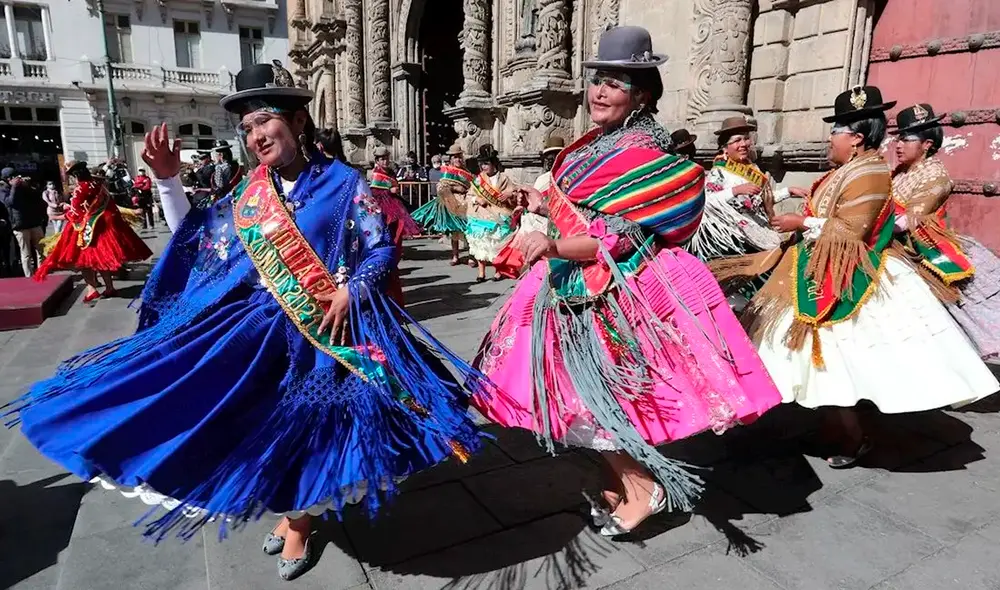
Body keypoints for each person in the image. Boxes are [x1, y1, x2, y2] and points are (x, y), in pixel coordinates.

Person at [3, 62, 489, 582]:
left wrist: (353, 289)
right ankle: (290, 510)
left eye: (265, 121)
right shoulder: (250, 190)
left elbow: (378, 252)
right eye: (249, 128)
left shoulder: (346, 184)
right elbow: (201, 239)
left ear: (299, 121)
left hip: (326, 333)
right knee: (252, 424)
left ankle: (299, 522)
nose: (257, 135)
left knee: (308, 431)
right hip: (258, 333)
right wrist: (167, 180)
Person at [472, 26, 782, 536]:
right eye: (598, 80)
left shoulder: (643, 152)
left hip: (616, 291)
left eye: (614, 84)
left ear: (641, 95)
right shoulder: (603, 142)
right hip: (578, 279)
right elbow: (582, 208)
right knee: (573, 395)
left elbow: (615, 238)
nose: (599, 92)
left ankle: (643, 488)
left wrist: (552, 246)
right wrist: (539, 203)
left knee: (594, 398)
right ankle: (624, 480)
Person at [729, 86, 998, 468]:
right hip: (821, 267)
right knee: (821, 359)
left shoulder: (870, 173)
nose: (829, 138)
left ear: (855, 138)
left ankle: (853, 434)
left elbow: (852, 230)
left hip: (854, 277)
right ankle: (836, 423)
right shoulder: (852, 169)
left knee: (839, 359)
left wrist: (801, 221)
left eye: (835, 131)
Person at [890, 103, 1000, 360]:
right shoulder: (899, 172)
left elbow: (909, 220)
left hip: (920, 245)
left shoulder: (936, 175)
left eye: (906, 140)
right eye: (898, 138)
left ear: (927, 144)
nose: (898, 145)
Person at [687, 116, 802, 263]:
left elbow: (760, 199)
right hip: (736, 236)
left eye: (746, 139)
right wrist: (735, 191)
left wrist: (788, 191)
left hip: (758, 228)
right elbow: (707, 201)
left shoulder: (752, 168)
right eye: (737, 141)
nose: (743, 144)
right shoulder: (720, 172)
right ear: (725, 148)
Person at [34, 162, 152, 300]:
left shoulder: (79, 190)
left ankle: (91, 289)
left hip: (84, 229)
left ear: (75, 176)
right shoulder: (97, 186)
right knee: (100, 259)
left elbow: (76, 213)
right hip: (101, 227)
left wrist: (58, 216)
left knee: (84, 261)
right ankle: (109, 287)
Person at [492, 136, 562, 278]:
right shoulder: (542, 179)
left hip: (556, 223)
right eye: (548, 157)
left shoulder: (565, 177)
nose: (550, 160)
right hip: (538, 222)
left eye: (554, 156)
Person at [369, 146, 421, 303]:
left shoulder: (390, 173)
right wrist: (388, 191)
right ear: (377, 161)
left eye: (386, 158)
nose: (385, 161)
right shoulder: (376, 174)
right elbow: (375, 194)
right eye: (382, 159)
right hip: (385, 214)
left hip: (395, 211)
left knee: (397, 242)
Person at [411, 144, 472, 265]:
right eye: (455, 157)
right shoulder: (448, 171)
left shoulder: (466, 171)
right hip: (452, 202)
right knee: (455, 230)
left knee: (469, 229)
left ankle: (471, 256)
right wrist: (456, 188)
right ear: (451, 159)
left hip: (466, 202)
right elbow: (442, 186)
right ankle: (455, 256)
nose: (457, 159)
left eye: (459, 156)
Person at [466, 144, 517, 282]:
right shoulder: (478, 180)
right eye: (482, 164)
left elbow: (515, 194)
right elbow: (469, 196)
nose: (483, 167)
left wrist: (508, 195)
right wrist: (477, 199)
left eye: (486, 163)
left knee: (497, 245)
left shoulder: (504, 179)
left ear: (493, 163)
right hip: (480, 216)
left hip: (498, 216)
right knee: (480, 244)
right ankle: (481, 273)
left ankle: (498, 270)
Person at [0, 169, 48, 278]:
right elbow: (9, 203)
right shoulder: (3, 189)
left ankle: (42, 273)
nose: (17, 178)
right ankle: (29, 277)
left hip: (34, 222)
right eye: (14, 177)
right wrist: (14, 187)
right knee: (26, 254)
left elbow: (37, 198)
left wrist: (28, 186)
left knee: (41, 250)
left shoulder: (24, 187)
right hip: (19, 226)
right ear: (8, 179)